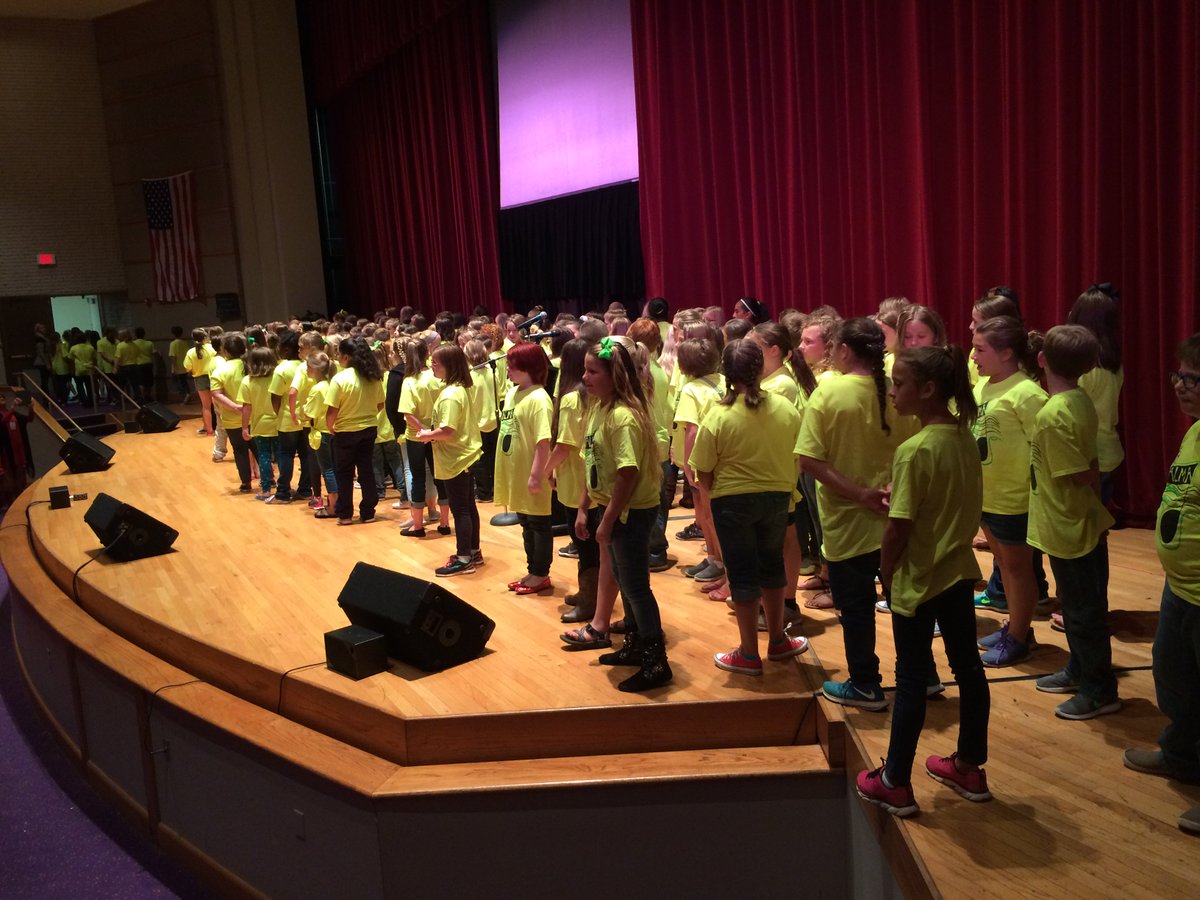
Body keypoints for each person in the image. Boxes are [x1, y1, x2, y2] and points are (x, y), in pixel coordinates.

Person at [855, 346, 990, 818]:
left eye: (899, 384)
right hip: (957, 572)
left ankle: (894, 781)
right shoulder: (963, 437)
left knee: (911, 679)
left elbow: (899, 527)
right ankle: (969, 766)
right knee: (968, 669)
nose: (892, 392)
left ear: (928, 389)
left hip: (919, 578)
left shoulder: (914, 450)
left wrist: (885, 570)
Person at [796, 318, 910, 710]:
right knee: (904, 603)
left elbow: (809, 460)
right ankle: (921, 675)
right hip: (899, 516)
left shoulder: (829, 393)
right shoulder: (899, 390)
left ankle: (864, 683)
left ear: (844, 350)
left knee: (857, 608)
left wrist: (860, 494)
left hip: (848, 522)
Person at [689, 339, 808, 675]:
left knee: (741, 575)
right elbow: (799, 455)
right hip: (778, 498)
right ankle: (778, 640)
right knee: (772, 568)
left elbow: (703, 469)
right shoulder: (785, 408)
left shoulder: (718, 415)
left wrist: (714, 499)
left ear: (725, 373)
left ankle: (748, 653)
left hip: (732, 502)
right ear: (759, 369)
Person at [561, 336, 671, 693]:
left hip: (630, 513)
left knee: (636, 587)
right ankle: (635, 646)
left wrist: (607, 521)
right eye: (584, 370)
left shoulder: (623, 417)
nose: (585, 378)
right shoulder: (600, 408)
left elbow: (628, 473)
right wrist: (583, 508)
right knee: (625, 581)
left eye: (593, 372)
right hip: (610, 509)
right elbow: (591, 462)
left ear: (615, 376)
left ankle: (656, 662)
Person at [1123, 333, 1200, 836]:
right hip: (1181, 587)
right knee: (1174, 677)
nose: (1179, 385)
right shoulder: (1195, 433)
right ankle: (1182, 756)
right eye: (1179, 375)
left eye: (1193, 378)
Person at [1027, 325, 1119, 720]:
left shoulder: (1053, 414)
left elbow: (1077, 472)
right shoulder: (1080, 400)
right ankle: (1080, 670)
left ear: (1042, 359)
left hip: (1070, 526)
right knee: (1081, 606)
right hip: (1075, 521)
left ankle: (1099, 690)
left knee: (1083, 614)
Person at [970, 316, 1048, 665]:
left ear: (1006, 353)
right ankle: (1017, 627)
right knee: (1003, 564)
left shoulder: (1027, 393)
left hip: (1015, 499)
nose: (973, 356)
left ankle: (1018, 636)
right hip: (988, 496)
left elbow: (1043, 448)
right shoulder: (984, 386)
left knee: (1018, 569)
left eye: (980, 349)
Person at [416, 345, 483, 576]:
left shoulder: (450, 396)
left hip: (456, 458)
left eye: (435, 362)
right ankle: (473, 551)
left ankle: (464, 558)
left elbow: (447, 431)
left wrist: (427, 435)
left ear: (449, 365)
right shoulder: (458, 389)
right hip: (463, 455)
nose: (431, 365)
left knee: (461, 509)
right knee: (468, 507)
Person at [495, 343, 554, 593]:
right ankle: (532, 570)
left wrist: (536, 475)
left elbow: (543, 443)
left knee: (538, 524)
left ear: (528, 367)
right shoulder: (512, 393)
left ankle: (541, 573)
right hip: (515, 472)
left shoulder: (539, 399)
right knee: (526, 524)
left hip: (532, 473)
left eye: (512, 365)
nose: (507, 369)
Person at [547, 339, 594, 622]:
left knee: (584, 544)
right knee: (588, 545)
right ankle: (586, 592)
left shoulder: (571, 399)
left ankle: (589, 600)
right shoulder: (591, 396)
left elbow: (564, 445)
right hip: (587, 479)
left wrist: (545, 469)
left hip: (575, 480)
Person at [325, 335, 386, 526]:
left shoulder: (340, 379)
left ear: (346, 356)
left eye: (339, 354)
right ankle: (368, 512)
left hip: (345, 431)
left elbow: (332, 410)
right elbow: (380, 404)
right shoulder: (373, 376)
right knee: (366, 470)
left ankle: (345, 514)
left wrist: (330, 426)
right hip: (369, 429)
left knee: (344, 473)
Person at [398, 339, 447, 535]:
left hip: (416, 436)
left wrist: (423, 430)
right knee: (440, 477)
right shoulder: (437, 378)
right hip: (438, 434)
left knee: (418, 478)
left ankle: (418, 526)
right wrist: (432, 432)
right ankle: (444, 523)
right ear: (427, 353)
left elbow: (408, 413)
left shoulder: (409, 382)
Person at [210, 332, 252, 491]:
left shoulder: (220, 370)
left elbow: (216, 394)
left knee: (240, 450)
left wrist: (235, 407)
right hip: (256, 416)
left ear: (225, 351)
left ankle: (246, 483)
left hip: (231, 418)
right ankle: (269, 481)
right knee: (260, 451)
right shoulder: (251, 366)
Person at [240, 345, 281, 501]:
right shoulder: (277, 378)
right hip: (279, 423)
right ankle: (284, 487)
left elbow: (246, 407)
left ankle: (266, 490)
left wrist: (245, 427)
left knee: (263, 455)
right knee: (281, 455)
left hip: (259, 424)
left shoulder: (247, 381)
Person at [268, 331, 304, 504]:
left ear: (287, 349)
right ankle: (305, 490)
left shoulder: (282, 369)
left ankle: (283, 493)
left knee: (286, 454)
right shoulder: (307, 365)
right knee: (306, 456)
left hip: (288, 419)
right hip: (307, 418)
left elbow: (275, 397)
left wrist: (278, 414)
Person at [304, 352, 339, 518]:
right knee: (336, 469)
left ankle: (333, 506)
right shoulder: (333, 384)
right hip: (336, 431)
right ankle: (338, 502)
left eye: (307, 366)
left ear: (314, 368)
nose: (305, 369)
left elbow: (308, 414)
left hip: (323, 434)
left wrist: (302, 410)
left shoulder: (317, 389)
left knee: (328, 470)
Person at [184, 328, 217, 436]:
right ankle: (221, 429)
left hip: (200, 379)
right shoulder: (212, 348)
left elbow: (187, 368)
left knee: (206, 406)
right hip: (214, 377)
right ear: (205, 337)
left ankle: (209, 430)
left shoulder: (190, 352)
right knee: (218, 405)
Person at [168, 325, 192, 403]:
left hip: (177, 367)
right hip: (184, 366)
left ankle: (185, 396)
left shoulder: (173, 344)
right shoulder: (184, 343)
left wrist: (174, 368)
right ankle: (188, 394)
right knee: (184, 382)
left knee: (178, 383)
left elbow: (173, 357)